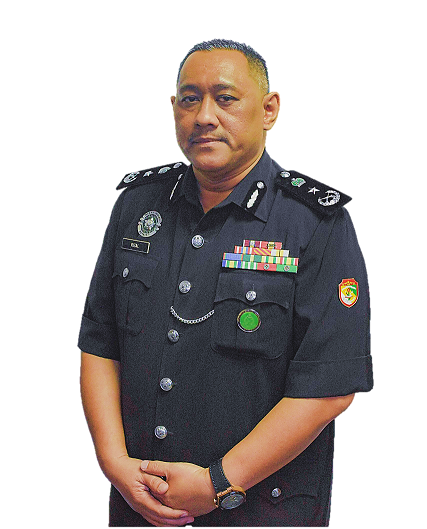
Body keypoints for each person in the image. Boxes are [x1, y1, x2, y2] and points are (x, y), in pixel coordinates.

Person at [78, 39, 373, 527]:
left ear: (269, 109)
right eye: (189, 99)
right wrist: (114, 463)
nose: (204, 116)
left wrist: (218, 482)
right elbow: (99, 343)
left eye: (226, 98)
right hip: (141, 504)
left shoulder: (314, 223)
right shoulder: (138, 206)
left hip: (262, 509)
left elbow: (329, 385)